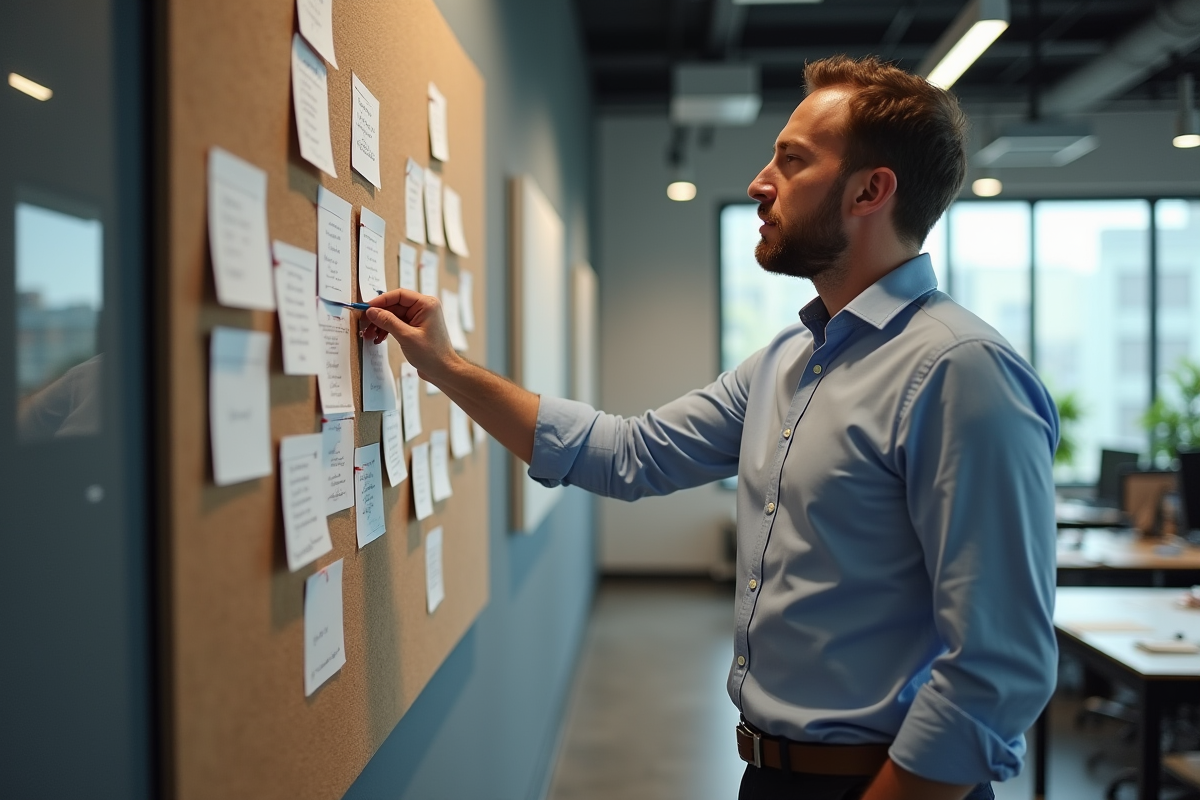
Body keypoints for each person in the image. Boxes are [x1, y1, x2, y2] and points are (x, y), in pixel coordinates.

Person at [361, 55, 1058, 800]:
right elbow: (625, 453)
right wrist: (445, 367)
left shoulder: (962, 371)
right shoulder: (789, 361)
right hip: (767, 777)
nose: (761, 183)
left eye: (791, 161)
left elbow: (998, 663)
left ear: (870, 190)